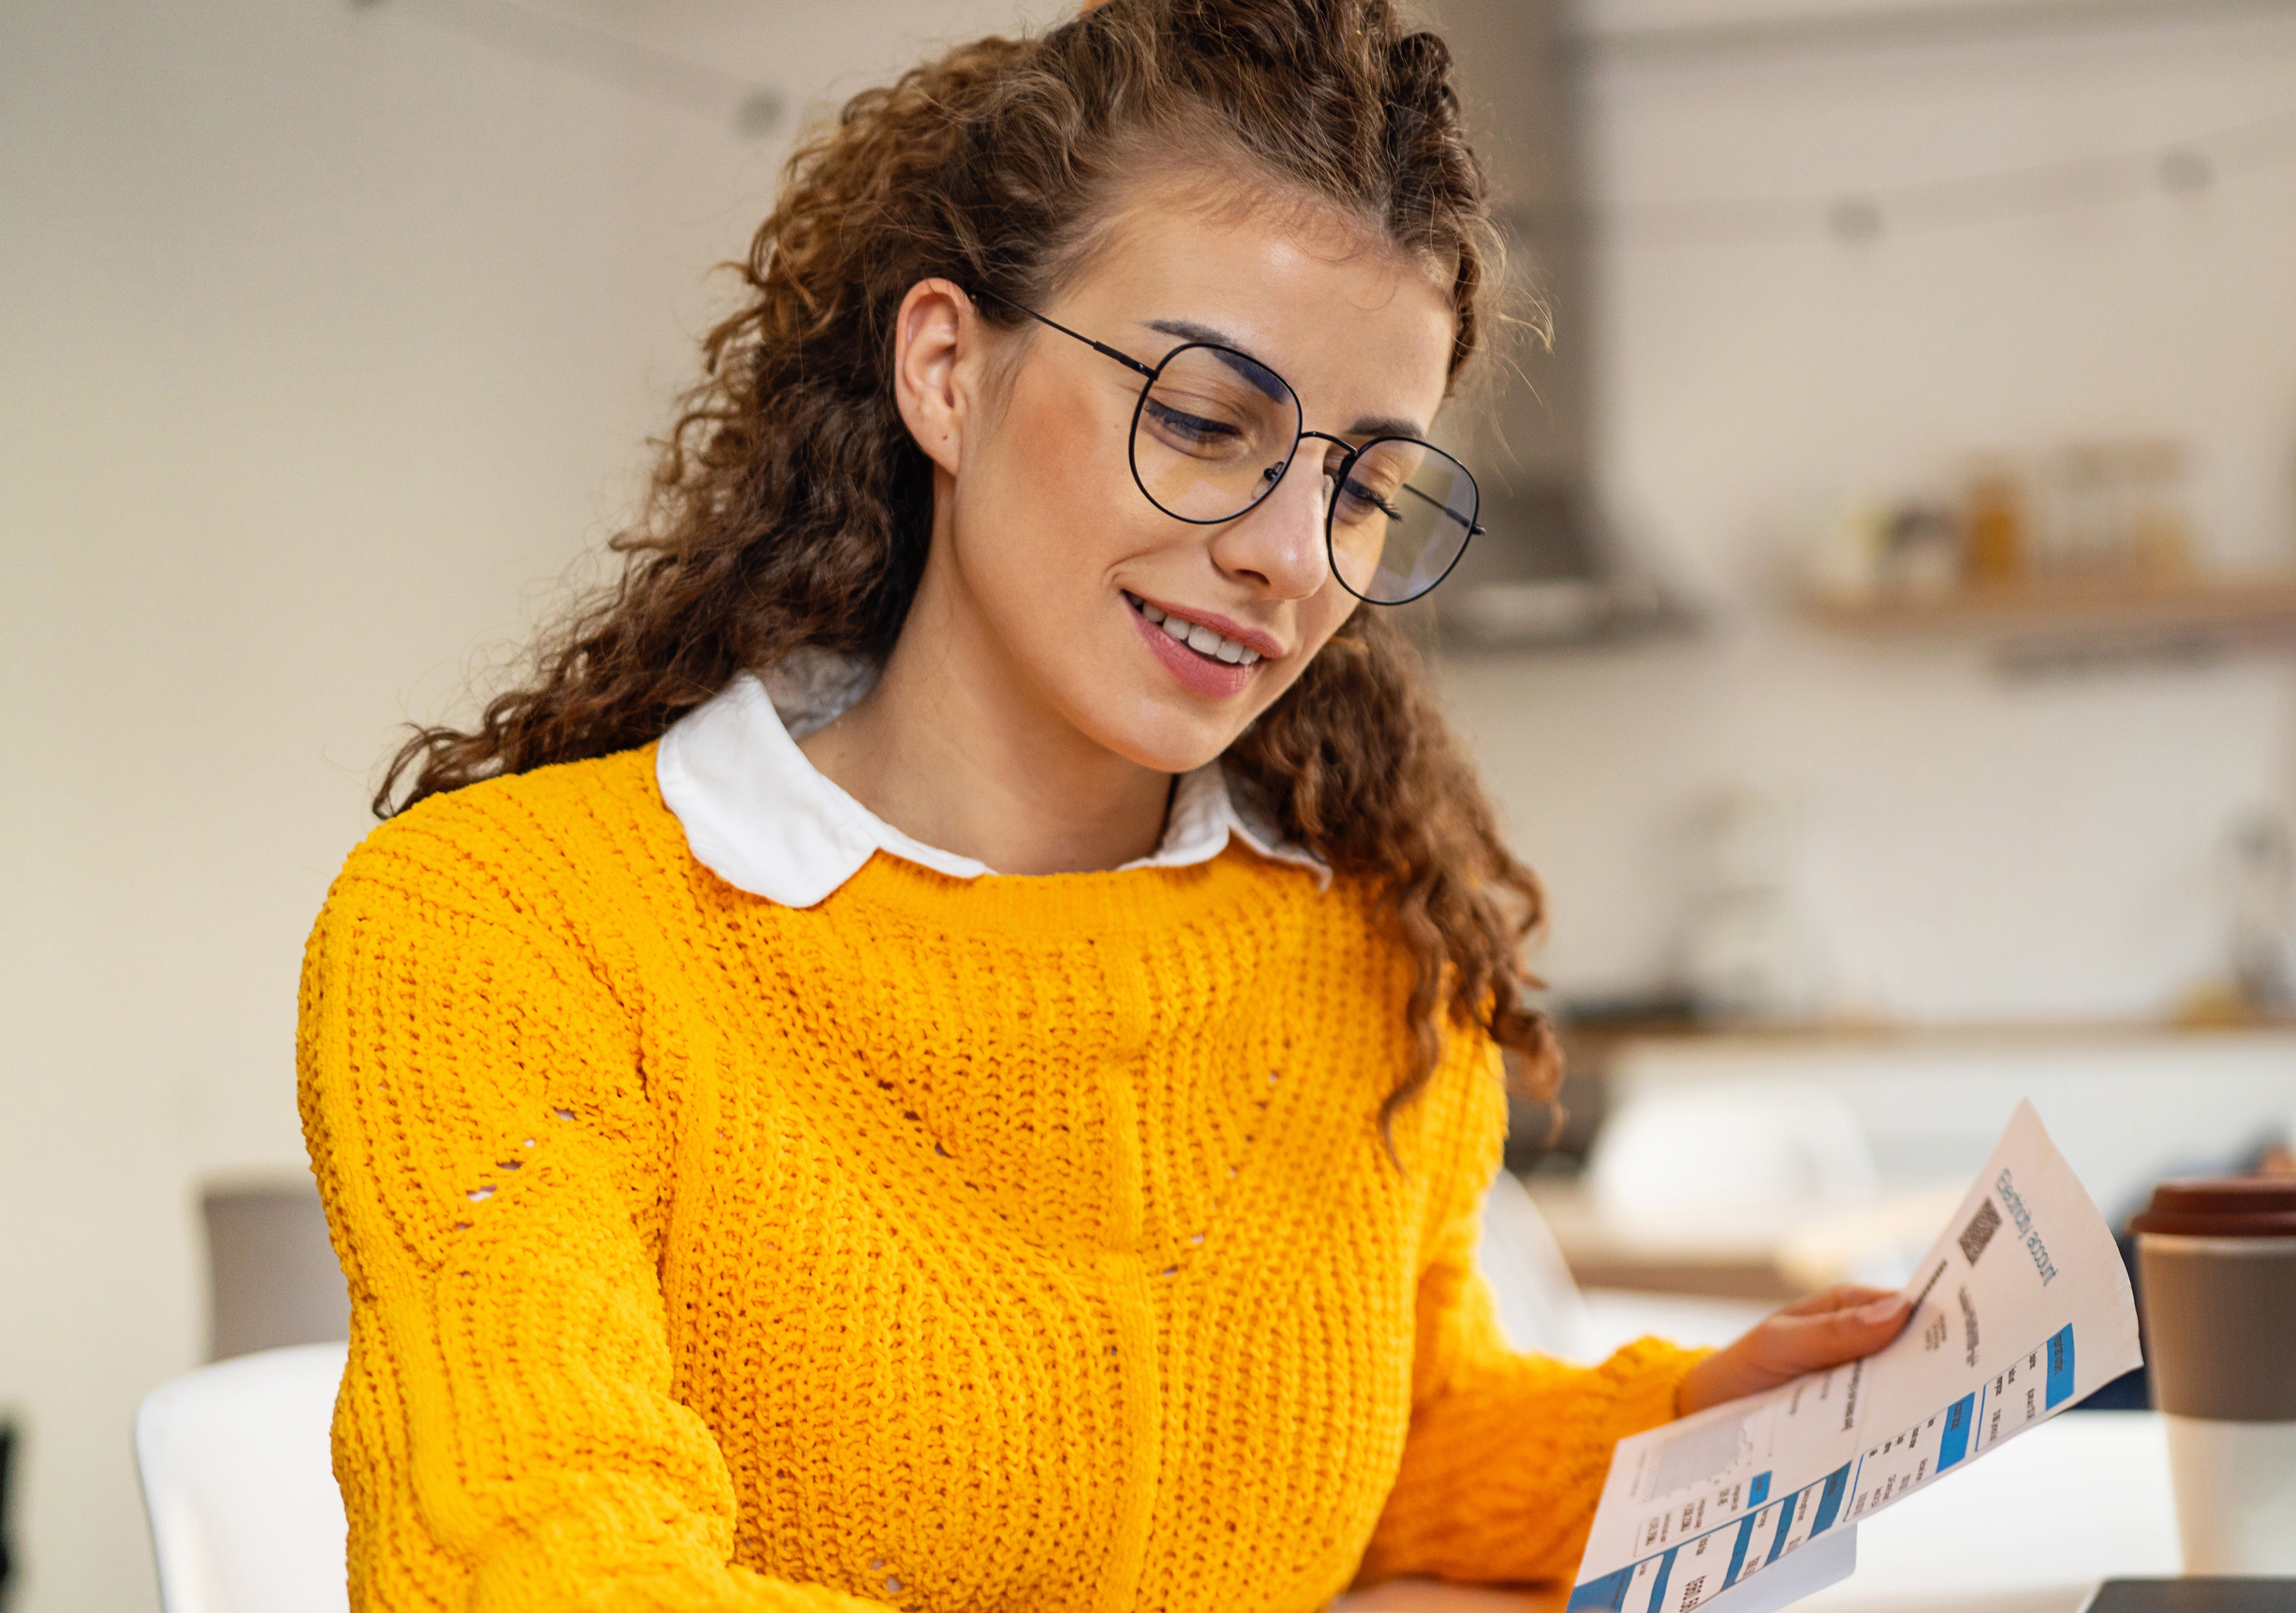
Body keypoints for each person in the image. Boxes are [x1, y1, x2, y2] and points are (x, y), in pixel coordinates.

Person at [293, 3, 1910, 1607]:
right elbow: (541, 1569)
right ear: (945, 371)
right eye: (1206, 423)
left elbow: (1365, 1450)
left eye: (1363, 486)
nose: (1290, 556)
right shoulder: (509, 928)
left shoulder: (1366, 948)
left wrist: (1683, 1431)